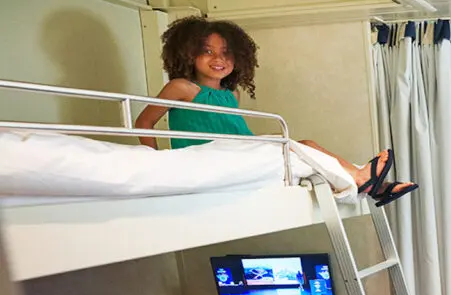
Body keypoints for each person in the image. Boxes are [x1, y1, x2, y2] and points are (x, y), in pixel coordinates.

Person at [134, 16, 415, 207]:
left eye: (226, 52)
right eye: (207, 51)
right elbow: (144, 121)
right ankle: (364, 178)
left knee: (303, 146)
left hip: (236, 150)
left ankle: (365, 181)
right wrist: (159, 164)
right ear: (188, 54)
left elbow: (233, 129)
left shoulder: (231, 94)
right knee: (298, 147)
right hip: (210, 154)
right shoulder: (181, 88)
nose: (218, 59)